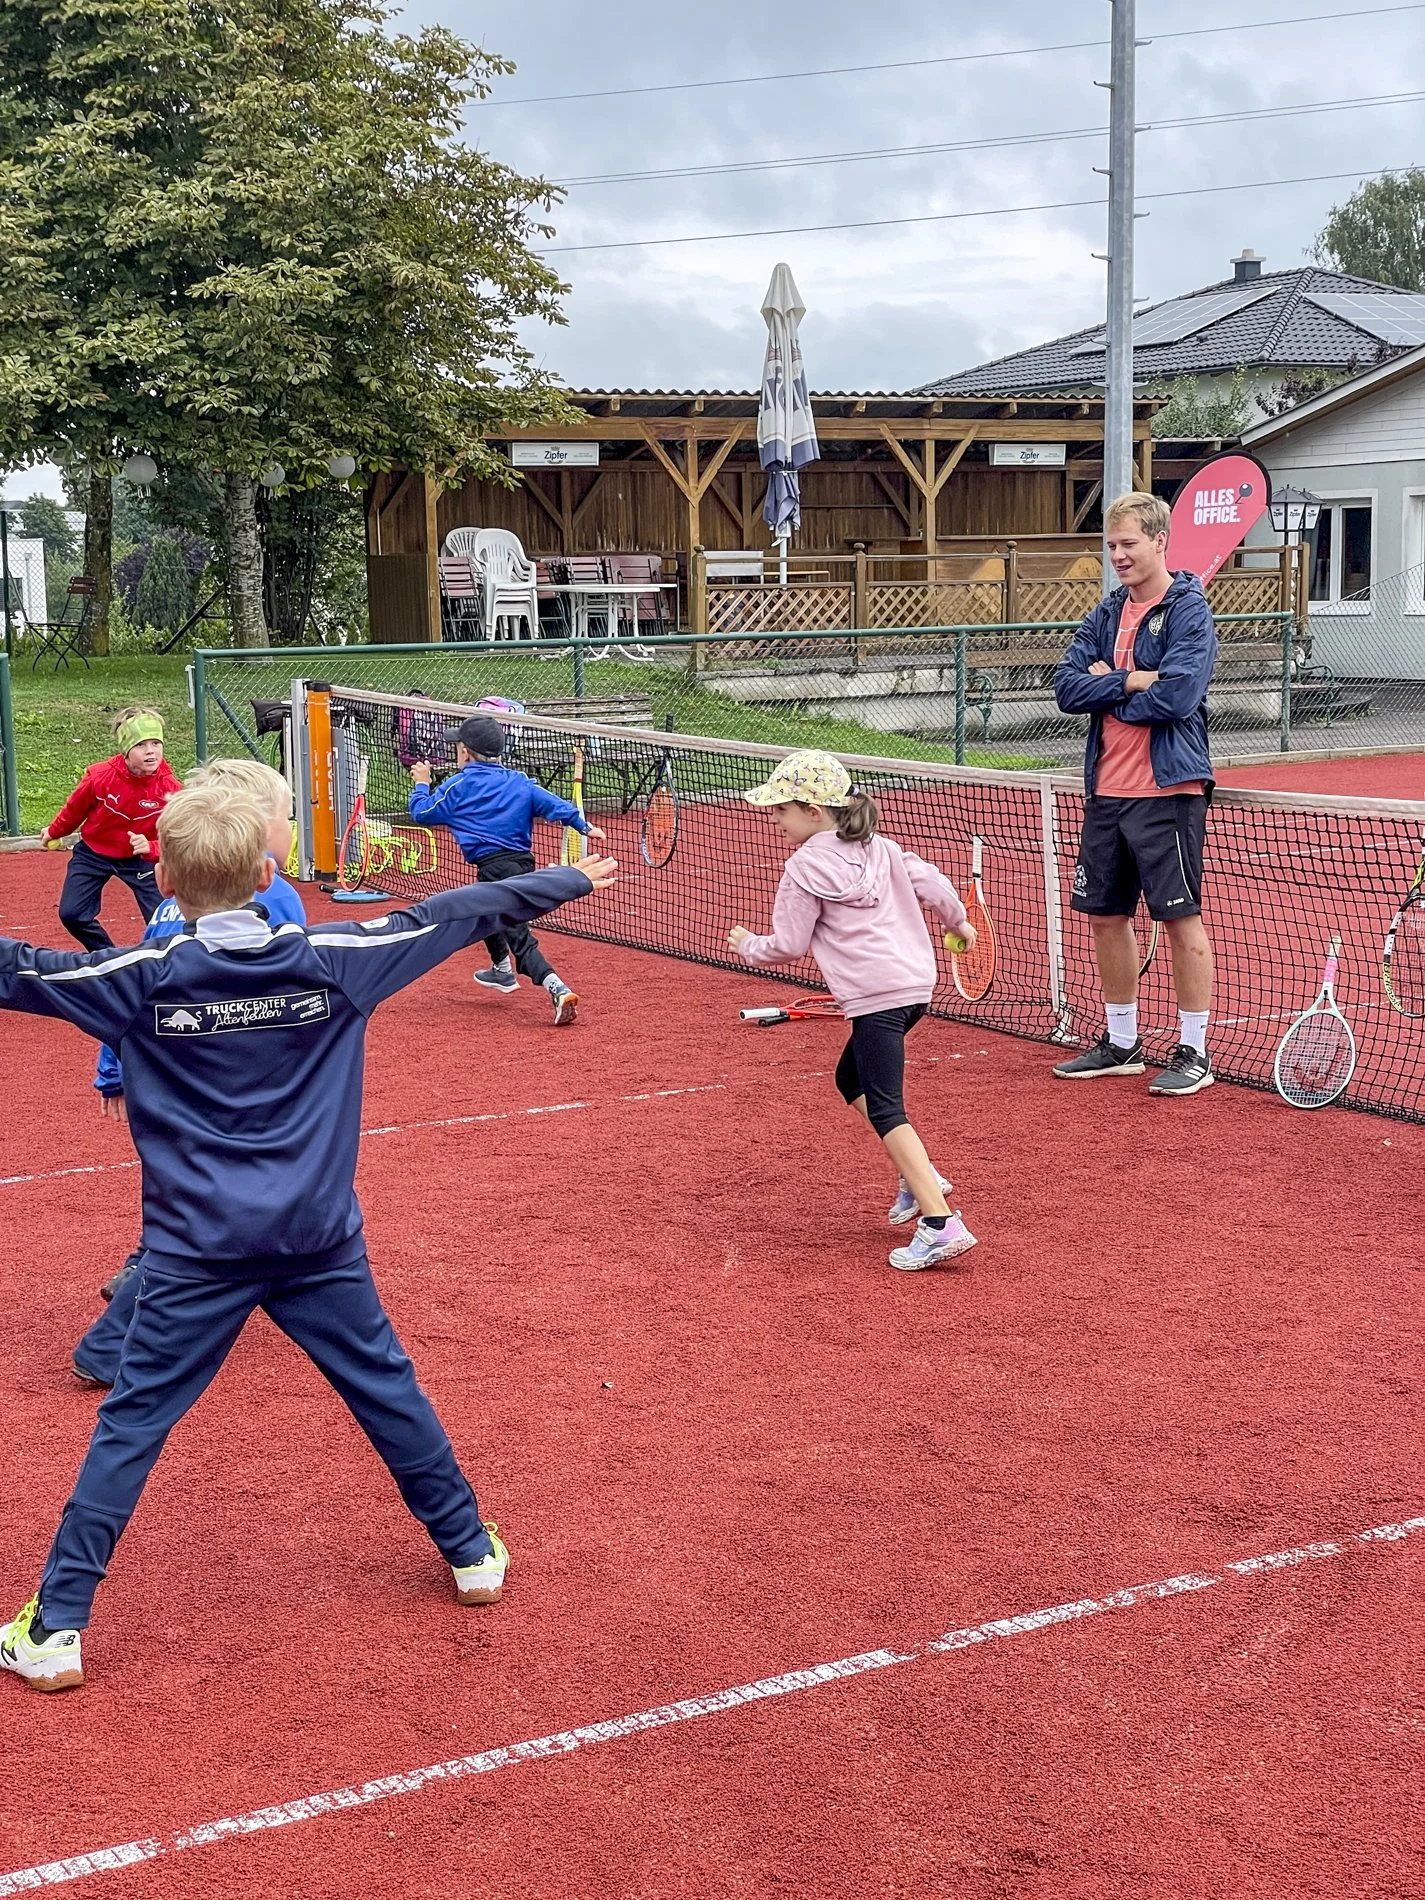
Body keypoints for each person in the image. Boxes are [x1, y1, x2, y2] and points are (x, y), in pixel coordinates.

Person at [0, 779, 617, 1690]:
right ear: (268, 870)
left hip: (191, 1254)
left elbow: (16, 966)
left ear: (162, 876)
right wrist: (561, 886)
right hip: (318, 1242)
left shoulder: (135, 981)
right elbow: (452, 913)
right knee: (386, 1389)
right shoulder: (337, 958)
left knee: (131, 1424)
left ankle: (55, 1629)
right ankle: (468, 1552)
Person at [74, 758, 308, 1389]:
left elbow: (130, 986)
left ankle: (143, 1293)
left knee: (196, 1208)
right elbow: (290, 996)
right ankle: (117, 1332)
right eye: (286, 817)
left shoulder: (172, 907)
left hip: (169, 1082)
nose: (292, 828)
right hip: (231, 1087)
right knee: (217, 1217)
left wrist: (112, 1071)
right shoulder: (275, 895)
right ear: (257, 835)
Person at [728, 749, 976, 1272]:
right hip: (914, 987)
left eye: (781, 809)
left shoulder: (802, 868)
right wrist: (959, 925)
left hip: (875, 996)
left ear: (814, 812)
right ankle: (918, 1175)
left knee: (886, 1107)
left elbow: (790, 944)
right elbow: (933, 884)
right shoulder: (882, 847)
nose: (774, 818)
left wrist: (748, 944)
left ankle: (939, 1221)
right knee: (850, 1079)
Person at [1051, 491, 1218, 1097]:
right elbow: (1066, 688)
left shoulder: (1189, 612)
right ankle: (1122, 1043)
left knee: (1178, 919)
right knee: (1104, 917)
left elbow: (1177, 698)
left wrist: (1110, 684)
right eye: (1112, 545)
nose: (1118, 555)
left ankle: (1193, 1051)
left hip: (1167, 790)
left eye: (1129, 544)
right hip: (1106, 792)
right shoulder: (1105, 612)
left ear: (1159, 542)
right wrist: (1133, 680)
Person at [408, 712, 602, 1027]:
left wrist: (421, 784)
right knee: (484, 913)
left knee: (516, 933)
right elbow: (553, 804)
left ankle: (556, 986)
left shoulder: (456, 788)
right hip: (522, 867)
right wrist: (583, 823)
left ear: (465, 752)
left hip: (495, 871)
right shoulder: (519, 782)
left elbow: (421, 813)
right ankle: (501, 969)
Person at [40, 707, 182, 949]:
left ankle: (161, 966)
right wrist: (55, 832)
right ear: (126, 750)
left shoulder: (171, 790)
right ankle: (108, 957)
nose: (151, 751)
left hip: (141, 860)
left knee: (165, 922)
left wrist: (151, 847)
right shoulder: (100, 777)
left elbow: (180, 837)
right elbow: (74, 810)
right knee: (72, 914)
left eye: (156, 743)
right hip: (94, 853)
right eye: (141, 745)